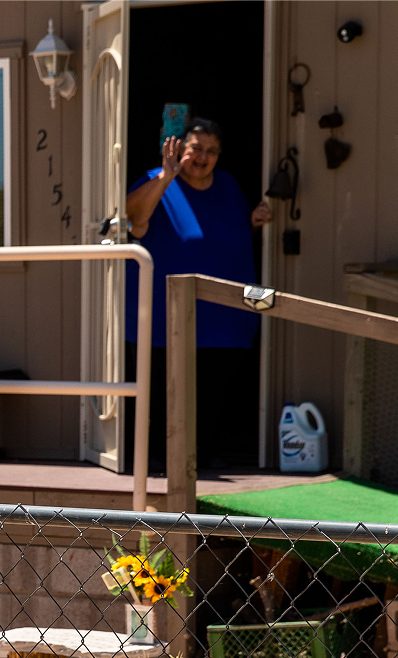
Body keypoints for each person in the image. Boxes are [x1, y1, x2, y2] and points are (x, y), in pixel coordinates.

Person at [124, 118, 270, 472]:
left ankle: (205, 456)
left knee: (213, 392)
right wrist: (166, 176)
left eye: (211, 151)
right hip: (164, 315)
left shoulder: (229, 185)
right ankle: (158, 458)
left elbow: (227, 229)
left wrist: (255, 220)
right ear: (178, 148)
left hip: (224, 317)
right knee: (162, 391)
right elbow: (133, 220)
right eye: (196, 149)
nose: (203, 157)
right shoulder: (156, 179)